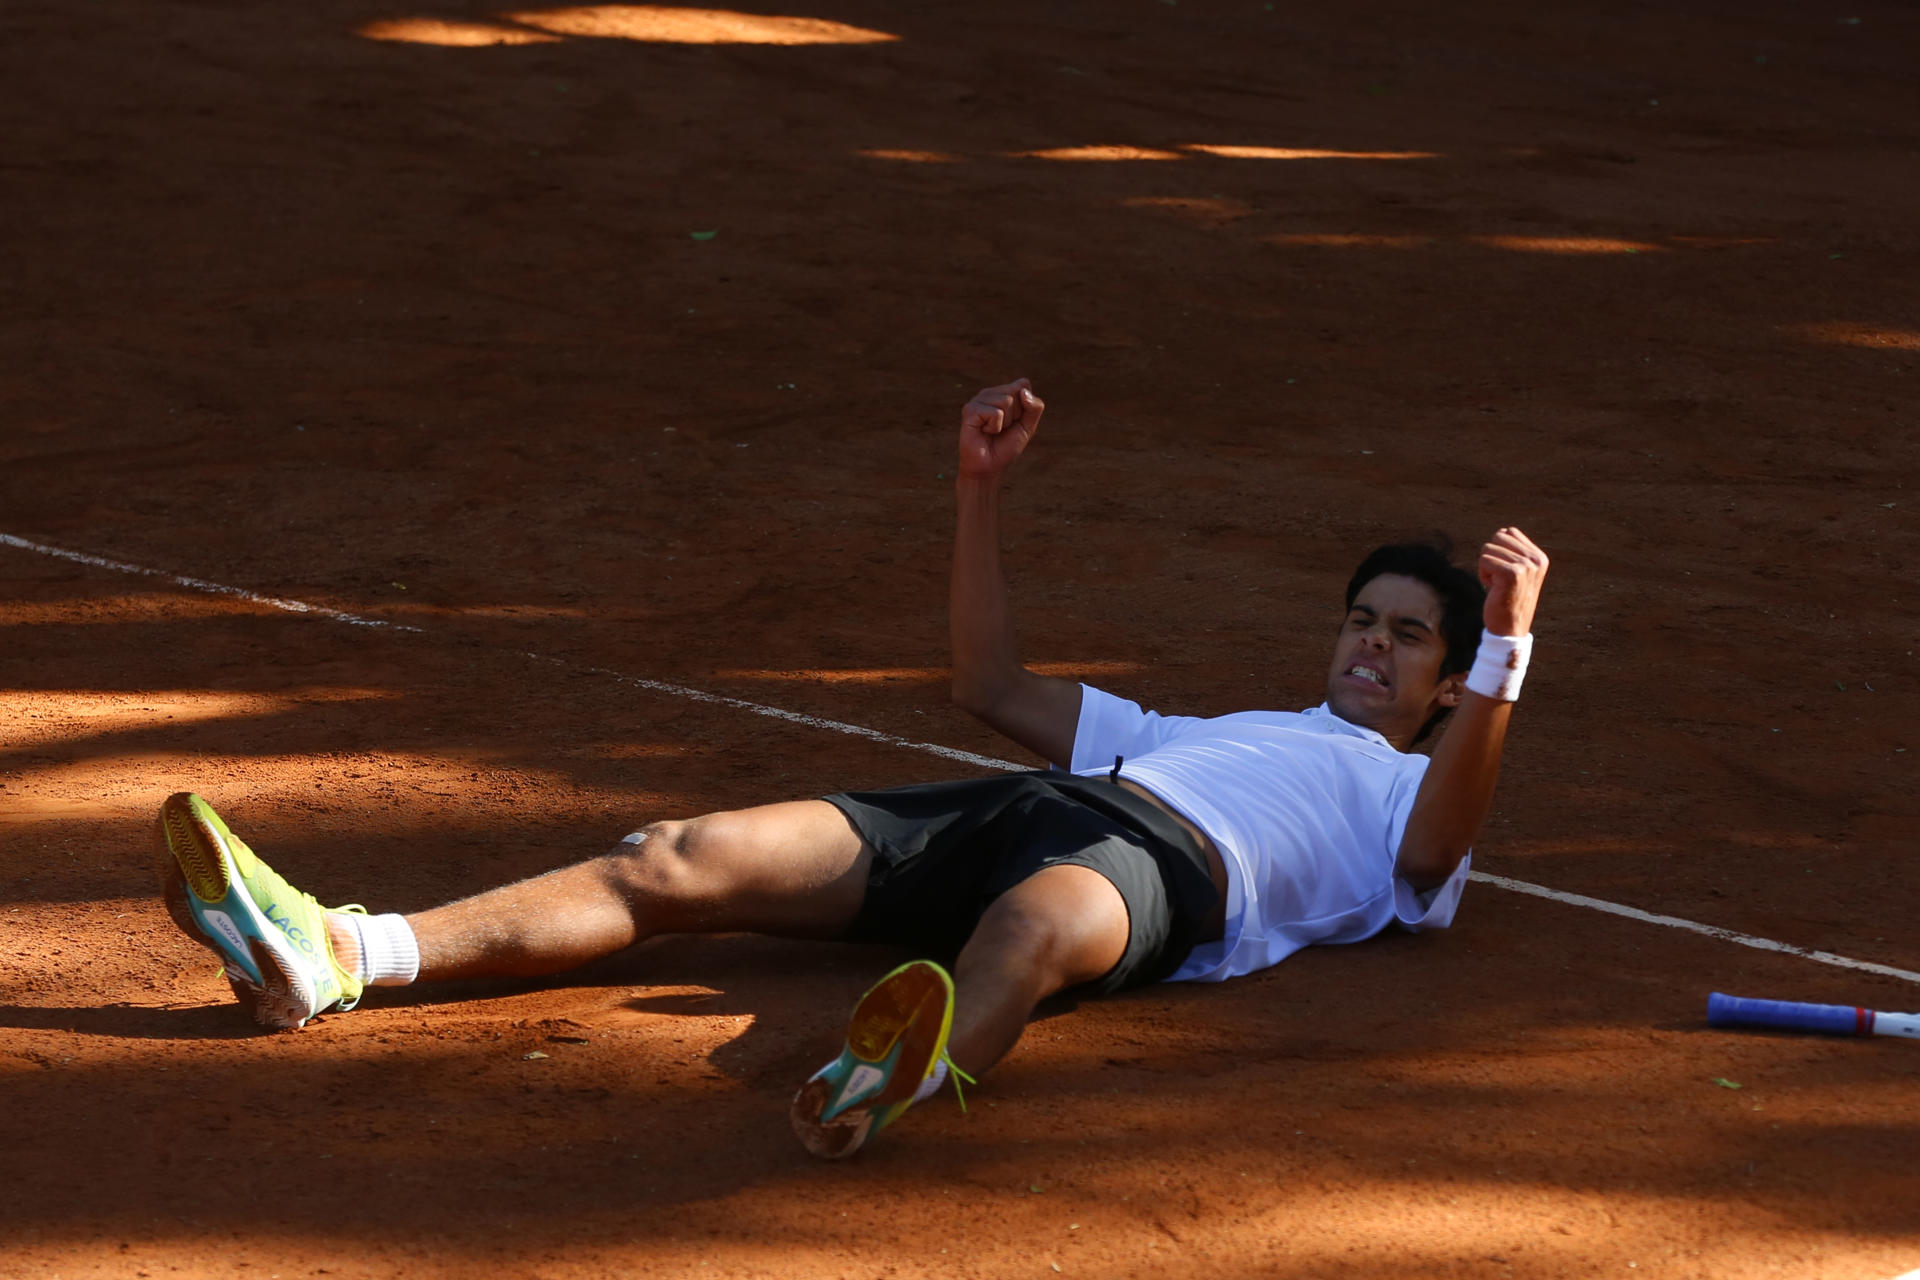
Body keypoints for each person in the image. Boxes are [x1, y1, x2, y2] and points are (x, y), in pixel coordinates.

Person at [155, 378, 1550, 1158]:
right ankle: (341, 951)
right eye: (1361, 619)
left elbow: (1432, 862)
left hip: (1169, 872)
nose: (1373, 646)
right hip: (1060, 803)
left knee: (1030, 929)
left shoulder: (1407, 800)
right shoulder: (1209, 732)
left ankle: (901, 1077)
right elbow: (988, 687)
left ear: (1446, 680)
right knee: (672, 857)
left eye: (1409, 637)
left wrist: (1509, 653)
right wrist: (979, 494)